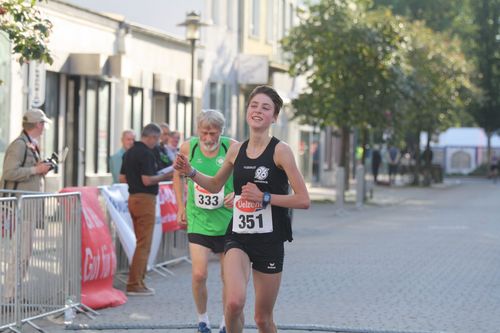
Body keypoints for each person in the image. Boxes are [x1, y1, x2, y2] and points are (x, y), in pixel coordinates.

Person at [174, 85, 310, 333]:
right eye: (254, 105)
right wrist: (190, 172)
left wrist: (264, 197)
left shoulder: (281, 151)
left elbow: (303, 200)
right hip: (238, 236)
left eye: (265, 107)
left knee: (262, 319)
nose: (258, 111)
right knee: (234, 303)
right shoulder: (237, 150)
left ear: (274, 117)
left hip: (269, 240)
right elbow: (215, 185)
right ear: (247, 110)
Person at [173, 110, 237, 333]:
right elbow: (177, 174)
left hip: (228, 221)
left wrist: (236, 194)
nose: (208, 138)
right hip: (199, 219)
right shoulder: (188, 148)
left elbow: (245, 175)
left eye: (213, 133)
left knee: (227, 276)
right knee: (199, 274)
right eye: (204, 133)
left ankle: (224, 320)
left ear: (222, 131)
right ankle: (203, 319)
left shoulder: (232, 148)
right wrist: (181, 206)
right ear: (197, 131)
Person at [0, 109, 53, 304]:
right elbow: (8, 173)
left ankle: (14, 294)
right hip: (19, 206)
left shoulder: (29, 144)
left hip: (27, 207)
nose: (45, 128)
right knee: (20, 252)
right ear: (38, 124)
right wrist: (35, 169)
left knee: (25, 252)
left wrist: (40, 171)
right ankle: (10, 296)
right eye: (43, 124)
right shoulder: (19, 145)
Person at [119, 123, 172, 296]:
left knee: (140, 242)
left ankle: (138, 281)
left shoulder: (129, 152)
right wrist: (166, 175)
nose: (157, 143)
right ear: (151, 137)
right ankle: (135, 283)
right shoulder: (146, 153)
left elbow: (122, 177)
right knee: (144, 243)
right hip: (145, 199)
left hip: (133, 198)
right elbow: (147, 180)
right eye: (156, 139)